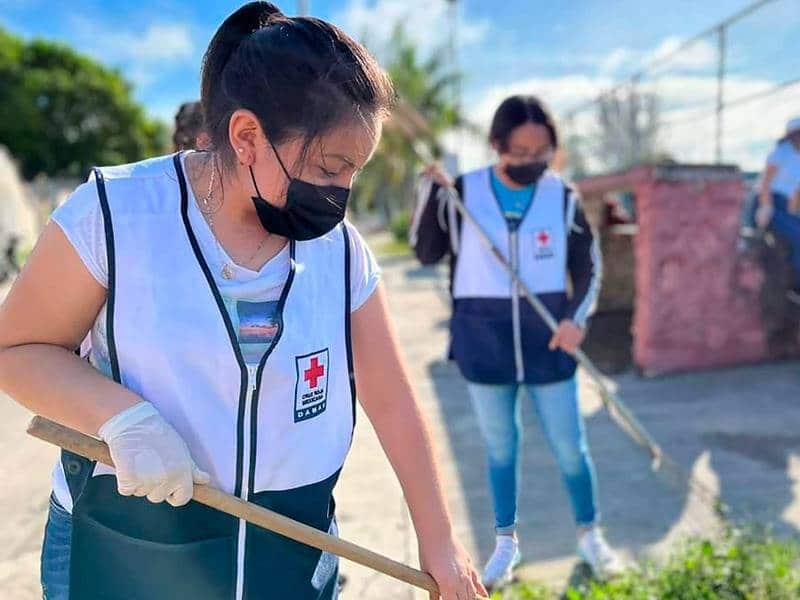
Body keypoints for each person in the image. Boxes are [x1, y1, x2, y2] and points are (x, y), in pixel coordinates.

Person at [0, 4, 486, 599]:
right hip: (131, 548)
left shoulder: (341, 254)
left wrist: (440, 539)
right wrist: (122, 418)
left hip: (289, 555)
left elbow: (394, 400)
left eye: (354, 172)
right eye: (329, 167)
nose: (341, 194)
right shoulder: (113, 215)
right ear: (247, 136)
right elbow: (16, 348)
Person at [411, 95, 623, 587]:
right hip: (484, 343)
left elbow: (587, 265)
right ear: (497, 145)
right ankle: (506, 543)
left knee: (570, 447)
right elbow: (425, 252)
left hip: (550, 343)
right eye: (520, 152)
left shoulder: (560, 196)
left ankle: (590, 534)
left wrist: (576, 319)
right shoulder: (465, 192)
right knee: (500, 449)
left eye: (541, 152)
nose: (531, 162)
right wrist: (430, 192)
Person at [755, 116, 800, 304]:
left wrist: (793, 214)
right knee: (797, 236)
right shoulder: (781, 153)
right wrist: (765, 206)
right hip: (769, 202)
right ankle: (796, 286)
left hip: (785, 206)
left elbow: (796, 192)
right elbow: (766, 182)